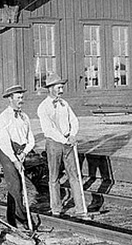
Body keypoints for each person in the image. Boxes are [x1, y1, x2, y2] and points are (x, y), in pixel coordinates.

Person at [37, 73, 87, 218]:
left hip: (68, 142)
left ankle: (80, 208)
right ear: (51, 88)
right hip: (54, 144)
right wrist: (65, 140)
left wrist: (72, 135)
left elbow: (74, 120)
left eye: (62, 87)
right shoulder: (43, 107)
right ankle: (56, 209)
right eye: (59, 87)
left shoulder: (64, 104)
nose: (61, 90)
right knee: (54, 177)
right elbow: (49, 130)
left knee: (74, 175)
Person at [0, 84, 35, 229]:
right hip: (7, 154)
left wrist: (24, 153)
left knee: (14, 187)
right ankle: (20, 218)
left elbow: (31, 139)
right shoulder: (4, 117)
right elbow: (4, 142)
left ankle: (11, 218)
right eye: (18, 98)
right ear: (10, 99)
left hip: (21, 152)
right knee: (16, 186)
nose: (21, 100)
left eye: (22, 97)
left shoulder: (24, 117)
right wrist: (15, 160)